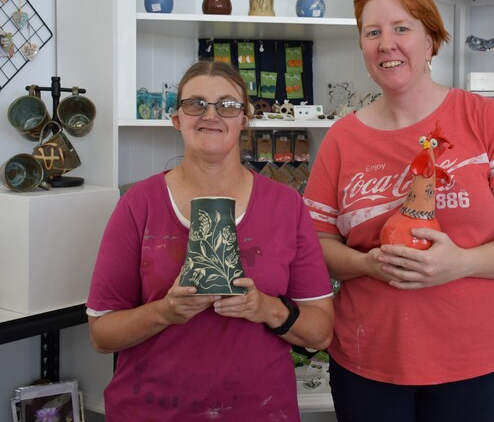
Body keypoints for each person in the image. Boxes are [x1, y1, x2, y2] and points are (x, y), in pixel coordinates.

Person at [303, 0, 494, 422]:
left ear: (431, 40)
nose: (386, 44)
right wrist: (366, 265)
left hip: (476, 358)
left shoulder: (486, 118)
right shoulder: (342, 138)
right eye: (372, 32)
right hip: (368, 357)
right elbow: (316, 245)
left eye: (402, 28)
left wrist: (461, 263)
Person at [86, 60, 334, 421]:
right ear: (177, 119)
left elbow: (321, 332)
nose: (210, 115)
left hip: (259, 410)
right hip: (152, 410)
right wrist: (164, 312)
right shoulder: (138, 204)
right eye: (195, 103)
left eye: (227, 105)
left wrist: (266, 308)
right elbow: (101, 334)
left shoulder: (286, 205)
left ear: (244, 119)